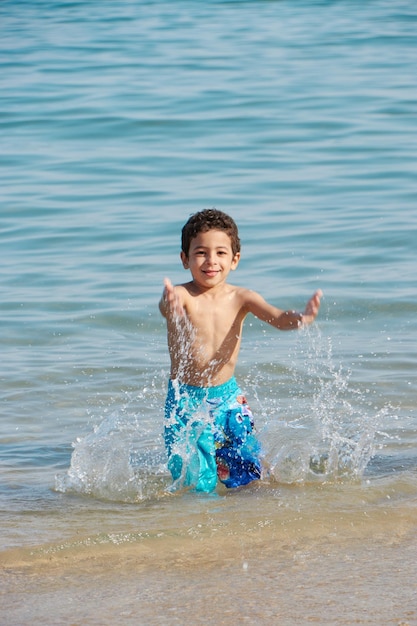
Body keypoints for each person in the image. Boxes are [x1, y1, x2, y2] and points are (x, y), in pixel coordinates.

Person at [159, 209, 322, 493]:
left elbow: (277, 317)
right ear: (185, 259)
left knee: (247, 474)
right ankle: (206, 528)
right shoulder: (182, 296)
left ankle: (250, 522)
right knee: (198, 482)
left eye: (220, 253)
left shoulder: (242, 298)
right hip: (186, 401)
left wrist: (300, 318)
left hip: (228, 398)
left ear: (234, 259)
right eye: (201, 253)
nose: (211, 261)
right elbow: (167, 308)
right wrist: (169, 305)